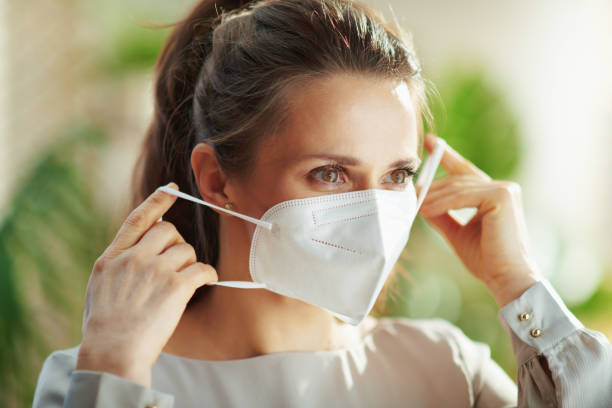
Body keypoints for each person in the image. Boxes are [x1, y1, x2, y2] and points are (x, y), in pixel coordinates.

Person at [32, 0, 612, 407]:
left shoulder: (444, 369)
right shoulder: (94, 376)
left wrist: (520, 282)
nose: (375, 212)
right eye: (330, 173)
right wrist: (114, 373)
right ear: (215, 180)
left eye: (397, 174)